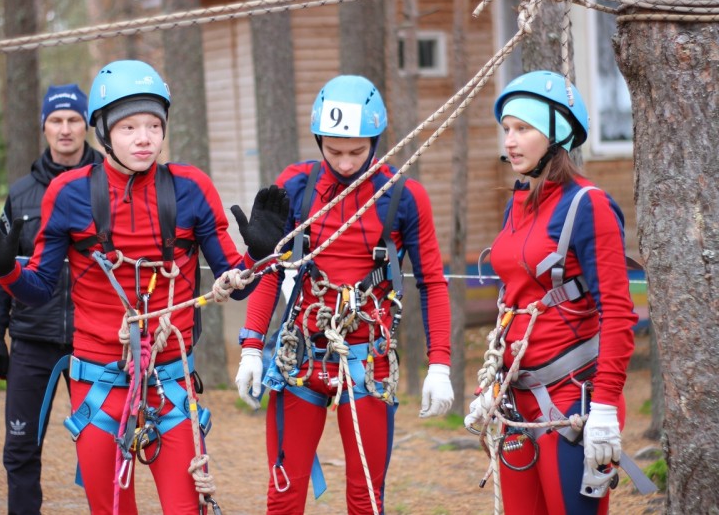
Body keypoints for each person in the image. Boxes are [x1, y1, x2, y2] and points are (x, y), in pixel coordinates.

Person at [0, 59, 289, 514]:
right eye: (129, 126)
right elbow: (39, 288)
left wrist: (261, 256)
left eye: (154, 124)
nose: (145, 138)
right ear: (103, 132)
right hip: (99, 385)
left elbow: (236, 280)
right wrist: (4, 268)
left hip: (170, 383)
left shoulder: (190, 188)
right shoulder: (69, 193)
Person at [233, 75, 454, 514]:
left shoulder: (404, 197)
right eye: (334, 151)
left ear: (378, 140)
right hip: (301, 357)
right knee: (283, 494)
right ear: (318, 140)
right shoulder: (296, 186)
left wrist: (441, 364)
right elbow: (269, 273)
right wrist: (252, 347)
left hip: (367, 361)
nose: (347, 163)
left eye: (358, 151)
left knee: (366, 499)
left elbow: (432, 282)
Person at [464, 70, 638, 514]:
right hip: (517, 404)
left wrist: (602, 409)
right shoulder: (518, 204)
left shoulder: (588, 205)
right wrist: (495, 385)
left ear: (557, 131)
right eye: (506, 129)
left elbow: (618, 313)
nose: (510, 141)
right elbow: (516, 299)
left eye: (523, 128)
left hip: (572, 407)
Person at [0, 83, 103, 515]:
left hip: (96, 344)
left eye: (74, 120)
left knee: (100, 455)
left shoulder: (108, 184)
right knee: (20, 451)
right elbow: (2, 272)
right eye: (56, 120)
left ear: (87, 124)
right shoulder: (19, 195)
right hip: (32, 341)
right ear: (44, 127)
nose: (65, 129)